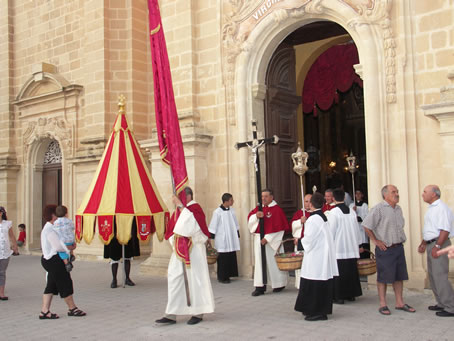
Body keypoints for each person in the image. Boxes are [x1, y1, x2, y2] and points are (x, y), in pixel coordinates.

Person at [155, 187, 215, 326]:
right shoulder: (178, 211)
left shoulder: (195, 208)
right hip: (178, 252)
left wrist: (181, 207)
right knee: (175, 278)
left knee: (195, 281)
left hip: (194, 251)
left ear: (187, 197)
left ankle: (198, 312)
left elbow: (193, 227)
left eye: (180, 198)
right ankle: (171, 313)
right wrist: (174, 239)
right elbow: (171, 231)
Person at [362, 185, 415, 315]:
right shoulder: (378, 209)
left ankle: (399, 302)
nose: (396, 194)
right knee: (383, 277)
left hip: (398, 247)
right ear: (385, 195)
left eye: (397, 191)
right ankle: (383, 304)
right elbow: (366, 225)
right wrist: (376, 241)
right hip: (385, 249)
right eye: (393, 192)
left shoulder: (398, 209)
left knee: (399, 276)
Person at [294, 193, 338, 321]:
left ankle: (317, 312)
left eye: (308, 202)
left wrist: (299, 242)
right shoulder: (322, 216)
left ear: (311, 204)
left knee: (314, 283)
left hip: (316, 257)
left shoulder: (313, 219)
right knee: (318, 282)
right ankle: (313, 309)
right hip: (320, 254)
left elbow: (309, 238)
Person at [40, 205, 86, 319]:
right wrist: (69, 248)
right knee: (65, 283)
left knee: (51, 284)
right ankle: (72, 308)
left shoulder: (49, 227)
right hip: (54, 259)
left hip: (49, 259)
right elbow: (57, 246)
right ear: (52, 215)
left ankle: (44, 311)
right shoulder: (50, 229)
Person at [417, 185, 454, 317]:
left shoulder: (441, 208)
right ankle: (441, 303)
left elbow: (445, 230)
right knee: (433, 276)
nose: (422, 194)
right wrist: (423, 243)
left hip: (439, 244)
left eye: (425, 192)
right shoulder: (432, 208)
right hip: (431, 243)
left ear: (434, 194)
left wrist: (437, 247)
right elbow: (430, 229)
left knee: (440, 276)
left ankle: (450, 307)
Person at [248, 189, 289, 296]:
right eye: (262, 196)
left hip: (271, 241)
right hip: (259, 239)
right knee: (259, 263)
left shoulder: (277, 210)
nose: (263, 199)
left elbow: (280, 227)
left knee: (273, 262)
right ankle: (260, 286)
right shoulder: (258, 208)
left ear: (272, 197)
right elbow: (250, 220)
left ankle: (278, 284)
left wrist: (267, 238)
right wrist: (256, 216)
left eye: (266, 196)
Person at [328, 188, 362, 304]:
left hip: (339, 247)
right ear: (343, 198)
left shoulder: (333, 213)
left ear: (333, 198)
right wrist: (358, 244)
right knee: (350, 271)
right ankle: (351, 294)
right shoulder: (352, 212)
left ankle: (339, 296)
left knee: (339, 273)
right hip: (351, 246)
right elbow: (357, 230)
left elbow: (331, 231)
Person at [208, 193, 240, 284]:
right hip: (222, 238)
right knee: (223, 257)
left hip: (231, 236)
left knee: (230, 255)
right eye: (231, 200)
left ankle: (229, 275)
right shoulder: (217, 212)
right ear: (226, 201)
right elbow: (213, 225)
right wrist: (211, 236)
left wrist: (237, 233)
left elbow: (235, 222)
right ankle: (222, 277)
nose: (233, 201)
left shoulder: (232, 211)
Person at [103, 219, 140, 288]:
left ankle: (127, 278)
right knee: (114, 259)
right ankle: (114, 279)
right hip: (114, 236)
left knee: (127, 258)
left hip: (127, 235)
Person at [290, 193, 312, 289]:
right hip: (300, 242)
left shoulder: (316, 213)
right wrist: (300, 222)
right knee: (301, 264)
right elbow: (292, 226)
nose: (308, 204)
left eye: (310, 201)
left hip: (311, 244)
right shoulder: (299, 213)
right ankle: (300, 285)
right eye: (306, 201)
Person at [0, 206, 18, 300]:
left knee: (2, 272)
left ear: (1, 213)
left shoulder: (7, 224)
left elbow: (11, 236)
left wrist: (15, 246)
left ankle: (1, 293)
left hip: (5, 251)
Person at [53, 206, 75, 272]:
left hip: (62, 241)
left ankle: (66, 263)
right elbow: (73, 227)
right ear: (66, 214)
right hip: (70, 239)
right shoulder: (69, 221)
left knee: (62, 252)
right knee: (71, 247)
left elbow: (54, 231)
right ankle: (71, 254)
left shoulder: (55, 222)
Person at [349, 190, 370, 259]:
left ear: (362, 195)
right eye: (356, 194)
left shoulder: (365, 205)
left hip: (362, 229)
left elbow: (367, 217)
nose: (357, 195)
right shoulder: (351, 205)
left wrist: (360, 218)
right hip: (354, 228)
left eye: (359, 193)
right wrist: (353, 211)